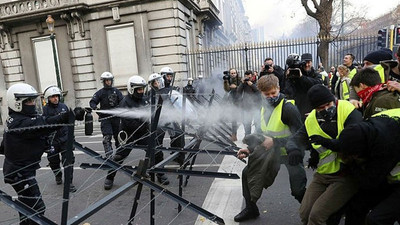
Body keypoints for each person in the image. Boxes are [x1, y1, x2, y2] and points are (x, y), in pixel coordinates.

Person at [286, 84, 363, 225]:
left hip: (346, 174)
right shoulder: (311, 120)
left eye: (328, 104)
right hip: (322, 174)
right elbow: (295, 139)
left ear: (333, 99)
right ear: (314, 109)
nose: (326, 109)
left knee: (317, 216)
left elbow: (353, 142)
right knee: (304, 214)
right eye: (321, 108)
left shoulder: (348, 110)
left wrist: (326, 142)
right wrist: (294, 149)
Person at [234, 75, 306, 222]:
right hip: (270, 152)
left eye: (273, 93)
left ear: (279, 89)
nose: (271, 97)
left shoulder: (288, 109)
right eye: (267, 94)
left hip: (290, 153)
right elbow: (261, 136)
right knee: (247, 174)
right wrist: (249, 149)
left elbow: (301, 137)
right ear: (260, 93)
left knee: (298, 189)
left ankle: (310, 211)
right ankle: (251, 209)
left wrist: (275, 142)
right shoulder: (261, 109)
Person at [1, 83, 72, 225]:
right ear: (17, 103)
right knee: (36, 209)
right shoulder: (20, 122)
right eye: (28, 101)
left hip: (18, 170)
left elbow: (5, 146)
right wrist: (66, 117)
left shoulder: (15, 119)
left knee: (27, 207)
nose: (32, 104)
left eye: (33, 100)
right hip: (20, 173)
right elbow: (43, 124)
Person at [320, 109, 400, 225]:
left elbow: (370, 182)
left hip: (392, 176)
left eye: (354, 155)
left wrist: (351, 164)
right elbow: (350, 140)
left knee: (377, 219)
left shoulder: (386, 146)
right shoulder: (367, 130)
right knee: (356, 206)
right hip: (389, 174)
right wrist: (330, 143)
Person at [104, 75, 169, 190]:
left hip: (143, 133)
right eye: (138, 89)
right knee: (118, 157)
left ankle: (160, 173)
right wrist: (145, 124)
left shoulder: (145, 99)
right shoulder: (125, 103)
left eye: (142, 89)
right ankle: (110, 177)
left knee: (157, 151)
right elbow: (129, 123)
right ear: (131, 89)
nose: (141, 91)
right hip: (128, 135)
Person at [42, 85, 77, 192]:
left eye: (57, 96)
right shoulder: (45, 110)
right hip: (52, 140)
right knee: (53, 161)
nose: (55, 98)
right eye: (53, 97)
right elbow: (45, 123)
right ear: (48, 98)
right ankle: (57, 175)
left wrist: (72, 139)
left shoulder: (64, 107)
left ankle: (69, 182)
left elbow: (70, 123)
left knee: (68, 161)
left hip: (65, 138)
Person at [90, 72, 123, 158]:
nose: (108, 82)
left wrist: (120, 108)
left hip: (116, 118)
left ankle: (120, 155)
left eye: (110, 80)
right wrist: (96, 109)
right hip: (105, 118)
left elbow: (123, 101)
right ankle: (109, 155)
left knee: (118, 137)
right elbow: (92, 102)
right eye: (107, 80)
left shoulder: (117, 91)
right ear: (103, 81)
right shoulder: (100, 93)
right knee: (107, 137)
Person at [284, 53, 322, 121]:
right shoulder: (295, 74)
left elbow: (317, 85)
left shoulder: (316, 74)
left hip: (312, 107)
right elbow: (287, 91)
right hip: (298, 108)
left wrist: (302, 77)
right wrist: (287, 78)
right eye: (305, 63)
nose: (307, 65)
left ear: (311, 62)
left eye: (308, 62)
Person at [236, 70, 261, 136]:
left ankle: (258, 136)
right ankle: (247, 137)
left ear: (252, 76)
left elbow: (259, 92)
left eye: (249, 77)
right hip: (246, 106)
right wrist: (242, 83)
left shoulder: (256, 82)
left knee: (257, 123)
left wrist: (252, 85)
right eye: (246, 77)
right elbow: (238, 92)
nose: (248, 79)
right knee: (247, 123)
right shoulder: (243, 84)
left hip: (256, 105)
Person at [223, 68, 241, 141]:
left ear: (236, 73)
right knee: (234, 119)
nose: (233, 74)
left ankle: (247, 135)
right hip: (233, 101)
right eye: (231, 73)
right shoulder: (228, 79)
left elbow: (242, 89)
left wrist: (236, 87)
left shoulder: (240, 80)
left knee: (246, 118)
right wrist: (225, 81)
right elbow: (227, 90)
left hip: (241, 101)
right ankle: (234, 135)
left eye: (234, 73)